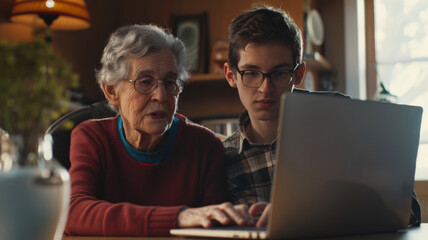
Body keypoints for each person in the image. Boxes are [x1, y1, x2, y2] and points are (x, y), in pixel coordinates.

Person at [223, 5, 421, 228]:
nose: (265, 88)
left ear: (298, 74)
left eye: (279, 73)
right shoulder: (223, 157)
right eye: (251, 73)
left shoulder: (342, 119)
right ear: (231, 75)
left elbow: (408, 211)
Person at [64, 24, 253, 237]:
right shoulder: (92, 138)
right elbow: (74, 212)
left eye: (170, 82)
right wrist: (179, 217)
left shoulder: (205, 147)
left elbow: (216, 228)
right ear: (111, 91)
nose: (161, 96)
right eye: (145, 82)